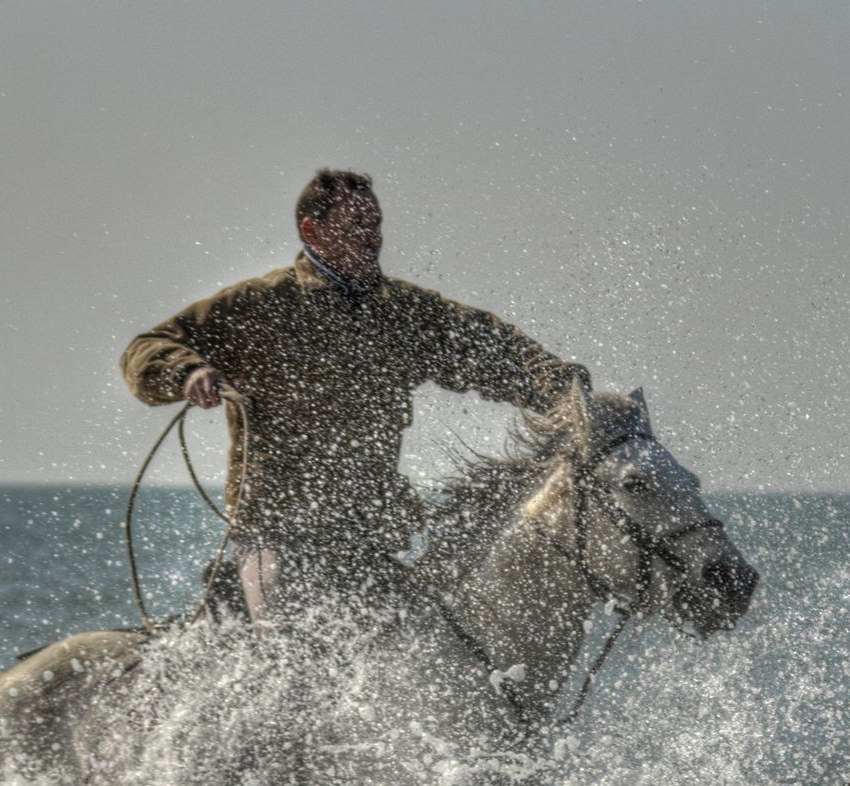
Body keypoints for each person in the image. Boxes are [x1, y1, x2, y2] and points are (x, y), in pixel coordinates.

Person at [122, 169, 588, 619]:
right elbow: (146, 349)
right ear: (313, 230)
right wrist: (187, 372)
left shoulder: (405, 313)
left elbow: (493, 348)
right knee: (288, 653)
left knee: (428, 652)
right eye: (356, 225)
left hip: (369, 538)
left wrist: (561, 387)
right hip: (278, 537)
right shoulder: (261, 305)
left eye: (375, 224)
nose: (372, 238)